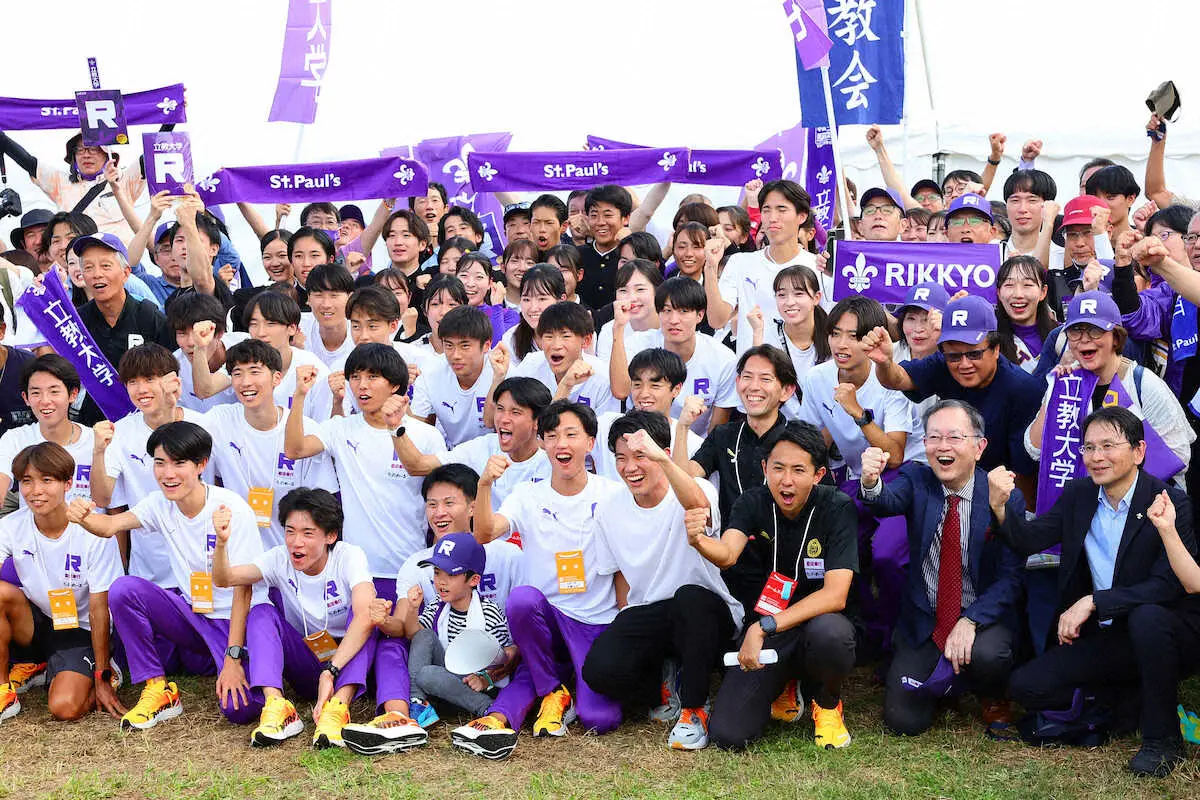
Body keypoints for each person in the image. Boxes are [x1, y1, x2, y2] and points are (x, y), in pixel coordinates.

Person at [989, 406, 1197, 777]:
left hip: (1168, 631)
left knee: (1148, 618)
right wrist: (1001, 508)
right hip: (1110, 635)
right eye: (1088, 448)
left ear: (1138, 451)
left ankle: (1163, 740)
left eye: (1108, 446)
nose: (1096, 457)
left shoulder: (1168, 502)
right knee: (1025, 686)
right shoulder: (1080, 494)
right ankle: (1119, 702)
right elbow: (1030, 540)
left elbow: (1167, 587)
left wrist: (1094, 601)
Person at [65, 421, 269, 731]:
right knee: (124, 589)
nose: (167, 473)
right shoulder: (160, 504)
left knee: (241, 710)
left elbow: (245, 590)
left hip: (234, 619)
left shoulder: (231, 509)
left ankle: (230, 661)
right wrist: (82, 516)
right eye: (160, 463)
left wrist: (233, 657)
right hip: (193, 614)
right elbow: (108, 527)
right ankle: (157, 689)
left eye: (178, 463)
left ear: (201, 465)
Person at [452, 401, 623, 760]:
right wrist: (484, 485)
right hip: (547, 619)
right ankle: (532, 701)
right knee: (522, 599)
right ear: (543, 444)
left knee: (600, 718)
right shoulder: (528, 494)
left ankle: (560, 684)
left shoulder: (611, 494)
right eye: (552, 436)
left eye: (571, 434)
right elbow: (483, 533)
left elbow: (624, 566)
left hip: (595, 621)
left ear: (590, 442)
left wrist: (623, 621)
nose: (561, 443)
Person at [859, 401, 1024, 737]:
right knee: (904, 722)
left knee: (990, 655)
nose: (943, 447)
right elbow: (885, 501)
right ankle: (944, 682)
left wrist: (971, 619)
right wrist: (870, 479)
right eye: (934, 437)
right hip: (926, 619)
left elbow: (1011, 577)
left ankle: (991, 693)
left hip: (982, 618)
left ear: (979, 447)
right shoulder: (917, 478)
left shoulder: (1002, 496)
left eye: (954, 437)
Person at [582, 412, 742, 751]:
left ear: (663, 455)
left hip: (705, 610)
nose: (630, 468)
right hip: (653, 611)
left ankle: (694, 708)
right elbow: (620, 576)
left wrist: (660, 457)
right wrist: (628, 623)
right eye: (621, 459)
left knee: (689, 598)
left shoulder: (694, 489)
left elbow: (697, 505)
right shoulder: (609, 509)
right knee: (599, 669)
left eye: (641, 456)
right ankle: (662, 682)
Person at [694, 421, 858, 750]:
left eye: (799, 470)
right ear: (764, 467)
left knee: (832, 635)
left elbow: (836, 595)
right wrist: (698, 539)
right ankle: (785, 682)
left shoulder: (837, 507)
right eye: (778, 467)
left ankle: (827, 704)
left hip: (816, 621)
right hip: (773, 623)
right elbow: (726, 555)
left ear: (818, 475)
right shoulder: (752, 502)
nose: (786, 480)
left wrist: (762, 628)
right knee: (728, 733)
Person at [798, 296, 924, 654]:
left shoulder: (891, 376)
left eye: (853, 336)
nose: (842, 344)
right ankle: (864, 631)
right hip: (854, 477)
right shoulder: (817, 377)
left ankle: (896, 639)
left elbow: (896, 454)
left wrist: (857, 412)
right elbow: (815, 437)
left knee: (886, 555)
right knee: (838, 551)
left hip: (902, 476)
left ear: (872, 340)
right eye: (835, 334)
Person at [212, 487, 382, 749]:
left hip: (346, 663)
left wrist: (331, 671)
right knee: (261, 611)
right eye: (290, 531)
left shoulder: (349, 556)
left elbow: (364, 615)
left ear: (331, 535)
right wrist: (222, 544)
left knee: (367, 616)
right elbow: (225, 579)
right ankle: (277, 705)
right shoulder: (279, 558)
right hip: (306, 662)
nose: (296, 542)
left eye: (307, 533)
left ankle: (337, 708)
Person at [284, 343, 445, 600]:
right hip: (357, 572)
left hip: (408, 566)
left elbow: (440, 503)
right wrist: (300, 395)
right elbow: (294, 449)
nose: (361, 385)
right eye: (355, 377)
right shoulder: (341, 428)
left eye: (372, 377)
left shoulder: (426, 435)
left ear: (394, 385)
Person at [351, 533, 515, 753]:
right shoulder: (438, 606)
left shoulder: (489, 612)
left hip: (477, 686)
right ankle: (418, 704)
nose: (441, 581)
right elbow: (414, 634)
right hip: (446, 677)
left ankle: (486, 709)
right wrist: (411, 608)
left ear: (473, 580)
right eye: (437, 573)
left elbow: (504, 657)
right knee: (424, 637)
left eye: (450, 575)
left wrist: (484, 678)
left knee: (428, 674)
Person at [0, 442, 123, 722]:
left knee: (64, 708)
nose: (36, 491)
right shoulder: (11, 525)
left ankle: (105, 672)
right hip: (39, 621)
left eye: (47, 480)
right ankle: (4, 690)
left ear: (68, 483)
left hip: (81, 629)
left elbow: (99, 610)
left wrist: (100, 676)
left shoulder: (93, 531)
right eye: (26, 481)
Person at [863, 295, 1043, 476]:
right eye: (954, 356)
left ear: (996, 349)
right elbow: (898, 379)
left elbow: (1026, 471)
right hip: (949, 480)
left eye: (974, 354)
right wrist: (885, 362)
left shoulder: (1023, 390)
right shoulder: (944, 363)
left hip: (1000, 488)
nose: (964, 364)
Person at [201, 340, 335, 549]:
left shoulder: (305, 429)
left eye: (255, 372)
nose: (245, 382)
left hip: (291, 555)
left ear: (277, 378)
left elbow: (324, 502)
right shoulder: (218, 421)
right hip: (239, 554)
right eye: (237, 373)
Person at [92, 345, 206, 586]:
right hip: (149, 569)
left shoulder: (204, 426)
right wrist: (99, 452)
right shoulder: (120, 432)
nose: (141, 389)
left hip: (202, 564)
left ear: (172, 380)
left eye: (150, 379)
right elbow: (102, 499)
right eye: (132, 382)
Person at [393, 377, 551, 511]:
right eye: (500, 409)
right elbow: (417, 465)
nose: (503, 418)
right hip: (487, 546)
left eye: (515, 412)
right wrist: (395, 427)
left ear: (537, 421)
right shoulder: (483, 447)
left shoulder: (553, 461)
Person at [73, 234, 175, 424]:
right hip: (94, 423)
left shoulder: (148, 315)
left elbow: (173, 369)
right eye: (88, 267)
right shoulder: (77, 321)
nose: (96, 274)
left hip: (146, 420)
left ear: (126, 273)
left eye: (105, 266)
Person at [710, 181, 819, 355]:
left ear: (802, 216)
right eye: (766, 210)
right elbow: (717, 320)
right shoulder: (740, 263)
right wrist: (710, 268)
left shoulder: (818, 267)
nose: (772, 218)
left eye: (782, 209)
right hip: (753, 374)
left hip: (805, 374)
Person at [191, 291, 335, 423]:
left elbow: (324, 429)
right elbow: (205, 390)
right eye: (254, 324)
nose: (260, 333)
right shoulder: (244, 360)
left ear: (292, 328)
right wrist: (200, 347)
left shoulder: (313, 368)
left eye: (270, 324)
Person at [0, 355, 113, 507]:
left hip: (88, 529)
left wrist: (98, 452)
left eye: (54, 392)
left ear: (73, 394)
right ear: (26, 398)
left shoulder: (98, 439)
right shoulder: (15, 439)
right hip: (33, 529)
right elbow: (2, 479)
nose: (45, 401)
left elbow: (105, 502)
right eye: (36, 393)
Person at [593, 349, 703, 482]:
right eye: (637, 385)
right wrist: (566, 385)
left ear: (676, 389)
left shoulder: (693, 443)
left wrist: (683, 427)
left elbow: (689, 494)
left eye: (655, 386)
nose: (644, 393)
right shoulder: (604, 425)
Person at [507, 301, 617, 413]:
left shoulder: (602, 376)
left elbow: (603, 428)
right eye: (549, 336)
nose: (556, 346)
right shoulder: (530, 365)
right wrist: (565, 386)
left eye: (565, 336)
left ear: (586, 340)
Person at [410, 306, 494, 448]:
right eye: (449, 345)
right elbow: (418, 429)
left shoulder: (502, 372)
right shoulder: (431, 372)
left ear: (486, 345)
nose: (455, 355)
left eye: (465, 346)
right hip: (454, 456)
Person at [167, 292, 247, 413]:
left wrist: (200, 348)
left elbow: (204, 390)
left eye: (200, 333)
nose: (190, 342)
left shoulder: (246, 346)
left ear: (219, 333)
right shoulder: (173, 366)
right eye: (182, 333)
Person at [994, 255, 1057, 372]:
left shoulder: (1062, 336)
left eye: (1027, 285)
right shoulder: (989, 339)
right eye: (1009, 285)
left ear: (1043, 292)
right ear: (998, 293)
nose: (1018, 294)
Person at [576, 185, 633, 309]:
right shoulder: (576, 255)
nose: (600, 222)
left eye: (608, 215)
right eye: (594, 215)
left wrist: (629, 244)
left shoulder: (634, 257)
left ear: (625, 218)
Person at [299, 264, 355, 368]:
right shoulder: (297, 327)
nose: (326, 305)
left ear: (350, 298)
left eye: (334, 295)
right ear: (308, 298)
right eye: (318, 295)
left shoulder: (362, 333)